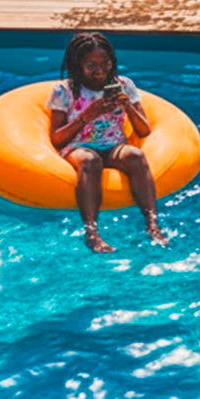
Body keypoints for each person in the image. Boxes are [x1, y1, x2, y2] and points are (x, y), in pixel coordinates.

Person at [48, 31, 168, 253]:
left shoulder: (124, 84)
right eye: (91, 66)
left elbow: (143, 130)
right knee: (90, 160)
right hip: (78, 147)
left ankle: (152, 224)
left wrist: (128, 105)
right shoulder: (63, 91)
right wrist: (87, 116)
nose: (101, 71)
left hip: (113, 146)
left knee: (135, 155)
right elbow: (56, 139)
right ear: (78, 65)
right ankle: (91, 232)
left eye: (105, 63)